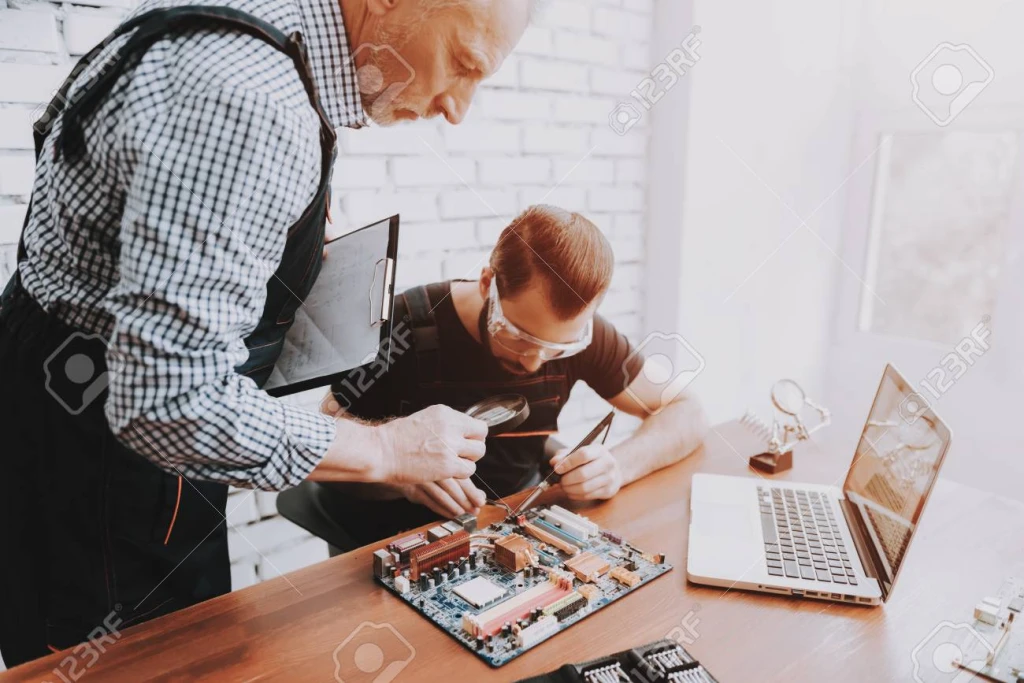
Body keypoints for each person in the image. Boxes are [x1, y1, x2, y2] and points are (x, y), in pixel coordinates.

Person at [0, 0, 532, 666]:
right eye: (463, 63)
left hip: (77, 416)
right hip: (103, 473)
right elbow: (169, 400)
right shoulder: (250, 99)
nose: (460, 108)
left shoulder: (257, 30)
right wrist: (391, 449)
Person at [317, 205, 709, 547]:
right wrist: (402, 475)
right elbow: (319, 448)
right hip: (399, 539)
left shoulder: (583, 335)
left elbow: (686, 410)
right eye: (521, 338)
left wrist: (621, 465)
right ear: (488, 283)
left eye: (557, 349)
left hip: (514, 528)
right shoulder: (402, 328)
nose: (536, 363)